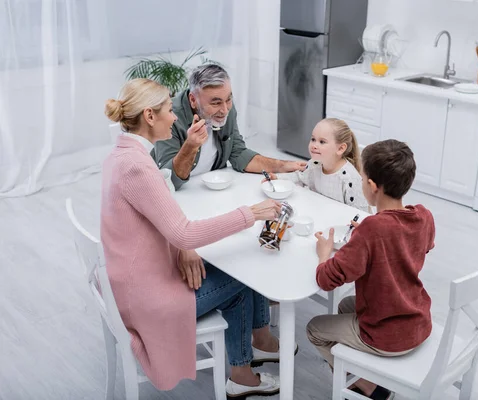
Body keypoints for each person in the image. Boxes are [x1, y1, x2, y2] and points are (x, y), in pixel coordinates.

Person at [102, 78, 286, 398]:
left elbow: (164, 212)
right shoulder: (136, 166)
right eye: (167, 111)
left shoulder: (123, 154)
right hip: (150, 302)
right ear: (149, 116)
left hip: (134, 283)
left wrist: (183, 247)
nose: (174, 117)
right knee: (243, 273)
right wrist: (251, 214)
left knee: (233, 283)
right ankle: (255, 352)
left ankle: (246, 366)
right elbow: (184, 231)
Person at [306, 139, 436, 400]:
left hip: (388, 336)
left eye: (363, 178)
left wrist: (324, 254)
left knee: (314, 329)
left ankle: (367, 386)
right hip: (418, 319)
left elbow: (327, 279)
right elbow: (419, 246)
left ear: (372, 187)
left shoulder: (371, 229)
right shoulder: (423, 215)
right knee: (345, 306)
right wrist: (366, 244)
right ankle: (363, 373)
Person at [152, 63, 306, 190]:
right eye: (216, 102)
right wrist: (190, 146)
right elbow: (168, 180)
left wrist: (283, 165)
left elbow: (238, 153)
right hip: (178, 197)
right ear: (193, 100)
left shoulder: (226, 109)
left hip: (212, 190)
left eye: (228, 99)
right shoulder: (169, 116)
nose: (225, 110)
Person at [264, 118, 369, 213]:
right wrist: (278, 178)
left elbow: (360, 214)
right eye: (313, 139)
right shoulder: (315, 164)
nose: (314, 145)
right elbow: (300, 178)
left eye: (322, 142)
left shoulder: (350, 179)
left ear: (340, 149)